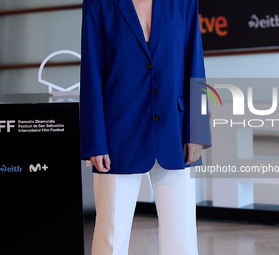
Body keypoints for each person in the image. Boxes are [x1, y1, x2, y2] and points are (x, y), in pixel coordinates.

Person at [80, 0, 211, 254]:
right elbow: (91, 73)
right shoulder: (98, 4)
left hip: (175, 132)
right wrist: (95, 141)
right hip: (116, 136)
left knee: (181, 240)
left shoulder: (183, 2)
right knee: (111, 237)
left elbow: (196, 63)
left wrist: (198, 130)